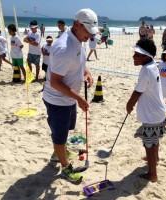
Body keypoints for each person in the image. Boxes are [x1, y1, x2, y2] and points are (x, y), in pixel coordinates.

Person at [42, 8, 97, 183]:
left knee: (65, 131)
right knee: (60, 135)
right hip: (58, 100)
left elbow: (78, 61)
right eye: (87, 31)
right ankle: (65, 168)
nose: (90, 35)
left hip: (69, 98)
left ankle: (57, 153)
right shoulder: (63, 48)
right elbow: (55, 82)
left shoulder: (78, 38)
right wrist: (79, 98)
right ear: (77, 24)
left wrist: (86, 72)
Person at [126, 38, 166, 182]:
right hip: (159, 111)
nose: (134, 57)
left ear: (146, 56)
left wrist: (129, 105)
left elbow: (137, 92)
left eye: (137, 55)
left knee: (149, 144)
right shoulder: (153, 65)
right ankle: (155, 158)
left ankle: (152, 174)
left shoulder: (146, 70)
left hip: (152, 114)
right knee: (155, 139)